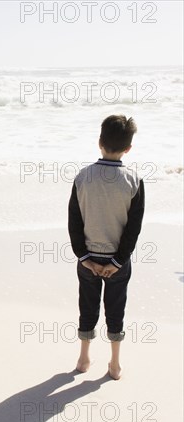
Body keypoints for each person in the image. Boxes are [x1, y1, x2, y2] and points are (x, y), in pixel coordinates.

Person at [68, 115, 145, 380]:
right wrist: (117, 261)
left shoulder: (82, 177)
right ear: (128, 148)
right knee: (116, 307)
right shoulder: (134, 180)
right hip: (117, 261)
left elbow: (74, 222)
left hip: (88, 258)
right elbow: (133, 228)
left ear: (99, 142)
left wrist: (84, 256)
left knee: (87, 306)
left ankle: (84, 357)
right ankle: (114, 363)